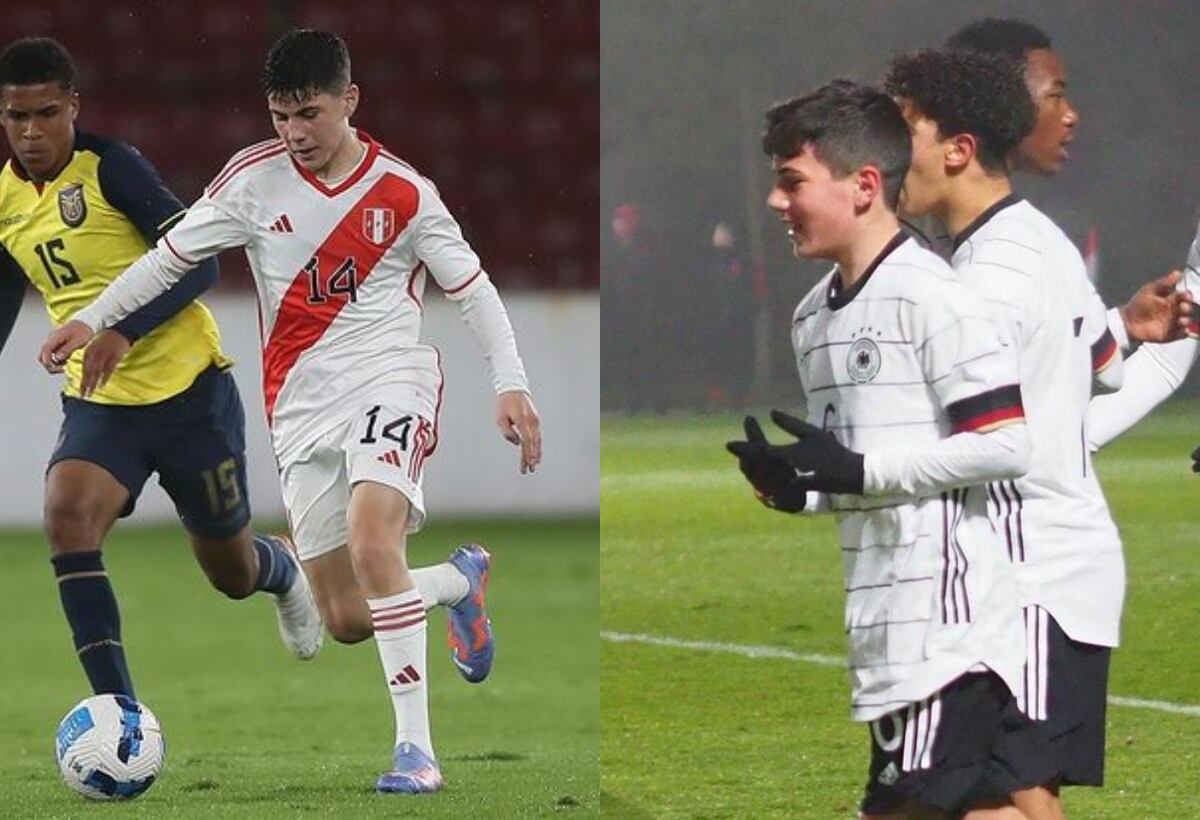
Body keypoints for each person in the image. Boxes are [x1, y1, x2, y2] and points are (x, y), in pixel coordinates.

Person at [40, 29, 542, 795]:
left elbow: (471, 291)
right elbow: (168, 259)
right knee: (345, 616)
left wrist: (511, 383)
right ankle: (457, 583)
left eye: (308, 113)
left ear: (350, 100)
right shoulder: (251, 180)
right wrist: (97, 319)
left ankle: (417, 754)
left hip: (390, 380)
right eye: (280, 117)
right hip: (299, 410)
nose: (295, 134)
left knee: (376, 546)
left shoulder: (405, 193)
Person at [883, 47, 1190, 818]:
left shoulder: (991, 274)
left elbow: (992, 437)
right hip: (1043, 569)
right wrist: (1128, 325)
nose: (885, 159)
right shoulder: (1030, 241)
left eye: (900, 135)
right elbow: (1101, 362)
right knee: (978, 793)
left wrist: (845, 474)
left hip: (1030, 575)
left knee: (993, 792)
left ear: (957, 148)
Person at [727, 78, 1044, 819]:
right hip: (888, 629)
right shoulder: (814, 319)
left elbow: (1005, 445)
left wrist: (859, 468)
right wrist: (799, 489)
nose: (778, 202)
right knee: (986, 809)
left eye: (792, 182)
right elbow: (864, 478)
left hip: (947, 627)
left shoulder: (935, 297)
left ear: (864, 185)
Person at [0, 37, 322, 703]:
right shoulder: (4, 198)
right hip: (101, 403)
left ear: (72, 107)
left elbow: (201, 261)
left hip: (189, 394)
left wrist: (122, 328)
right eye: (15, 117)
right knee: (66, 515)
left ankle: (283, 568)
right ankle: (118, 713)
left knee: (230, 573)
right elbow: (7, 290)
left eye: (45, 113)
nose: (31, 132)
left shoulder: (113, 169)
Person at [944, 19, 1200, 465]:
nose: (1071, 115)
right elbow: (1155, 364)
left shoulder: (1040, 247)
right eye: (1056, 95)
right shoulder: (1025, 245)